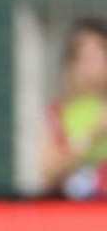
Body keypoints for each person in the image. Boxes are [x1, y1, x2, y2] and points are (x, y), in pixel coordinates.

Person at [41, 17, 107, 199]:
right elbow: (48, 172)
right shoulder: (59, 111)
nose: (91, 64)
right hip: (74, 208)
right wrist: (89, 136)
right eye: (83, 56)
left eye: (98, 54)